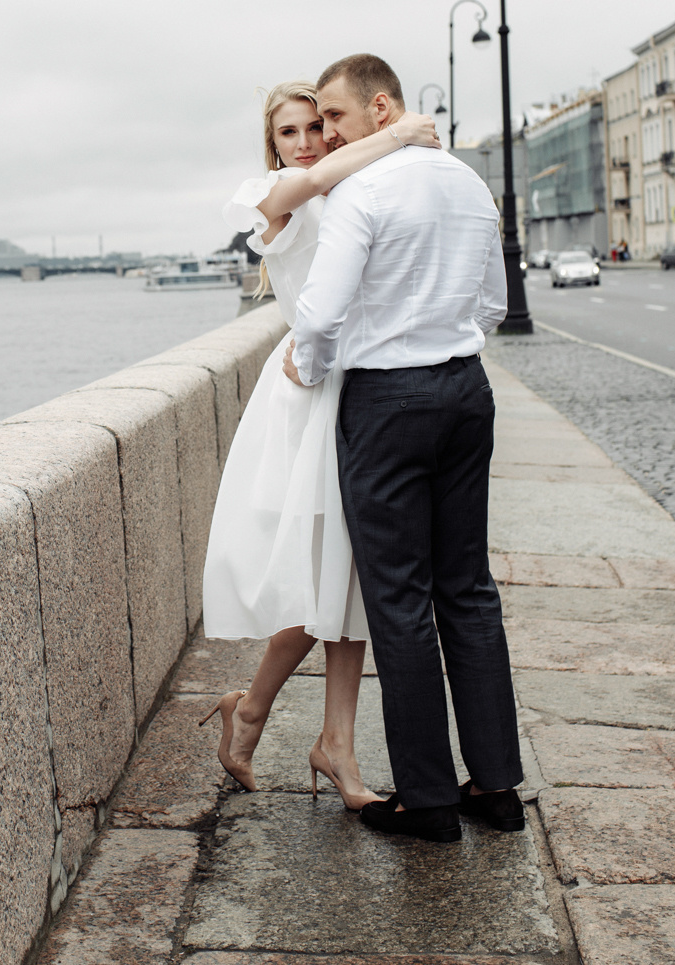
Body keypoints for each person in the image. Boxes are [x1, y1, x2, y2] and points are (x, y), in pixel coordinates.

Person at [285, 53, 524, 844]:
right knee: (469, 587)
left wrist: (313, 369)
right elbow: (491, 301)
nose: (324, 134)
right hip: (466, 391)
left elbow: (318, 319)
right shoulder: (465, 181)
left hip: (387, 400)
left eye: (335, 118)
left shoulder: (364, 190)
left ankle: (426, 800)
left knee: (398, 597)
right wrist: (444, 339)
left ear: (381, 109)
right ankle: (494, 786)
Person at [198, 79, 443, 811]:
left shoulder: (343, 190)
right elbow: (313, 180)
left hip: (356, 387)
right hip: (307, 403)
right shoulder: (274, 191)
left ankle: (335, 745)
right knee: (320, 584)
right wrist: (401, 131)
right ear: (270, 141)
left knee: (354, 583)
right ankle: (249, 711)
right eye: (289, 130)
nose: (304, 141)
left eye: (315, 127)